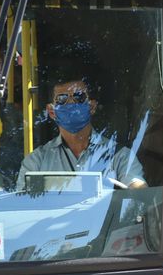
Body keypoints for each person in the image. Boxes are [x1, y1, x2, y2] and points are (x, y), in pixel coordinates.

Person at [15, 76, 146, 191]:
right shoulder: (36, 161)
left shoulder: (120, 157)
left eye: (79, 97)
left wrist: (135, 190)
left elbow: (138, 191)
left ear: (92, 107)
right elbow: (20, 206)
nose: (71, 103)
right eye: (62, 99)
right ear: (51, 111)